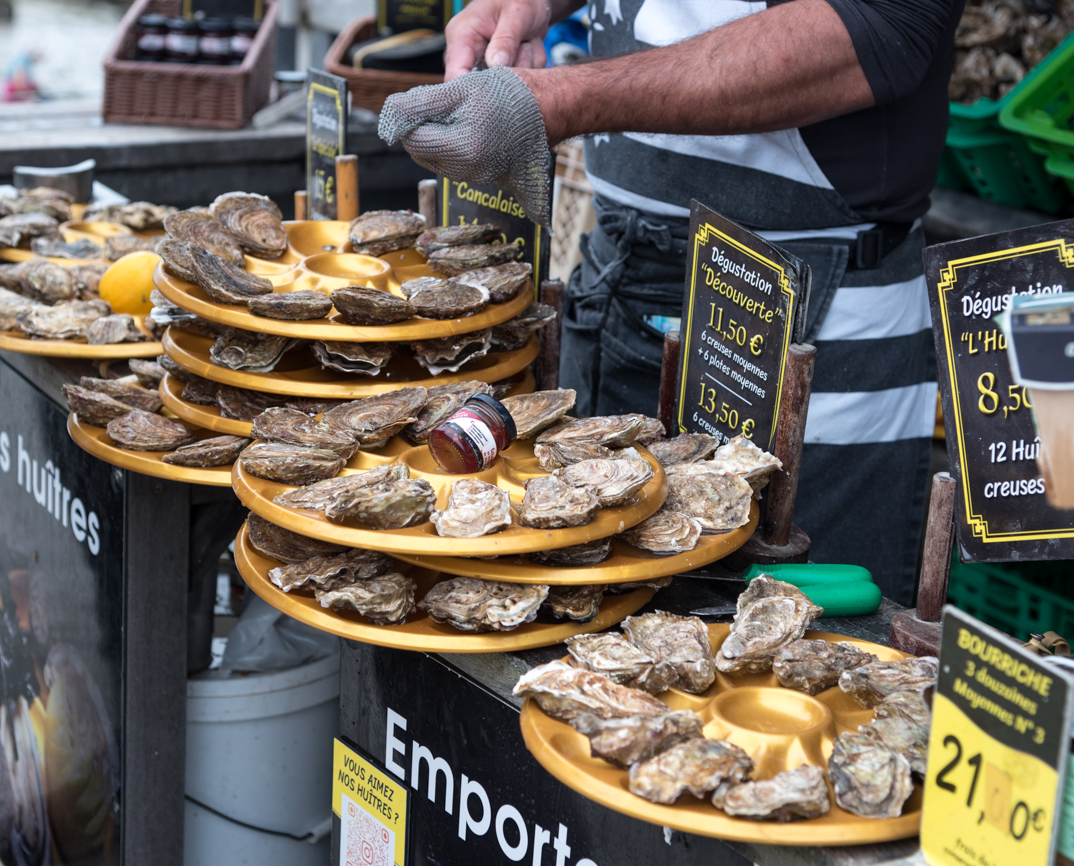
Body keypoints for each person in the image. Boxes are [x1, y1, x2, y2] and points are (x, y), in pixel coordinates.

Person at [383, 0, 959, 605]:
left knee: (807, 633)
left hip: (812, 304)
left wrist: (569, 98)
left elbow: (887, 22)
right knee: (580, 592)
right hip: (618, 261)